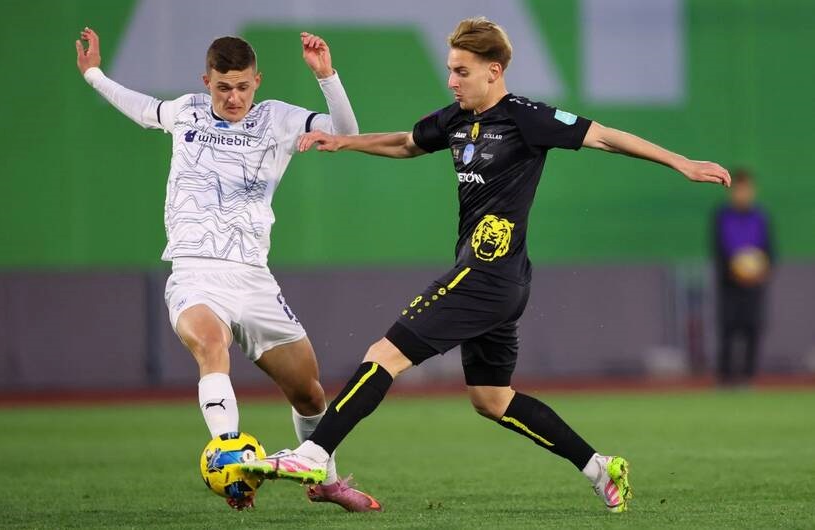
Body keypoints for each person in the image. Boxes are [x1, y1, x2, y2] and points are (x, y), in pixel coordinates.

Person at [247, 17, 731, 513]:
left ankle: (314, 452)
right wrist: (345, 141)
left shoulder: (526, 118)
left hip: (486, 275)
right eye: (450, 70)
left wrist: (682, 162)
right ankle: (599, 467)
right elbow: (407, 143)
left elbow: (605, 137)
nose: (451, 81)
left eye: (461, 71)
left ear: (493, 71)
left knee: (384, 354)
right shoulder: (457, 119)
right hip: (501, 282)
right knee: (492, 399)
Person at [75, 27, 381, 512]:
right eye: (223, 87)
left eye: (242, 86)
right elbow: (142, 107)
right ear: (207, 82)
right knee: (211, 346)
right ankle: (229, 457)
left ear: (257, 81)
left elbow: (346, 132)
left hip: (254, 279)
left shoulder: (278, 118)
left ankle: (324, 480)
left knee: (308, 394)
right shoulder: (187, 111)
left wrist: (327, 77)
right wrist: (94, 75)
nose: (233, 97)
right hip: (195, 273)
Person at [713, 169, 773, 385]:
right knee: (728, 328)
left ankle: (748, 378)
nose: (742, 194)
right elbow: (717, 249)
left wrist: (761, 271)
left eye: (746, 189)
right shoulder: (722, 216)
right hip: (729, 283)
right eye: (738, 189)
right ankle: (725, 378)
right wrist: (733, 271)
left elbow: (769, 249)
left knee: (753, 328)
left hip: (754, 284)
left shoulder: (760, 217)